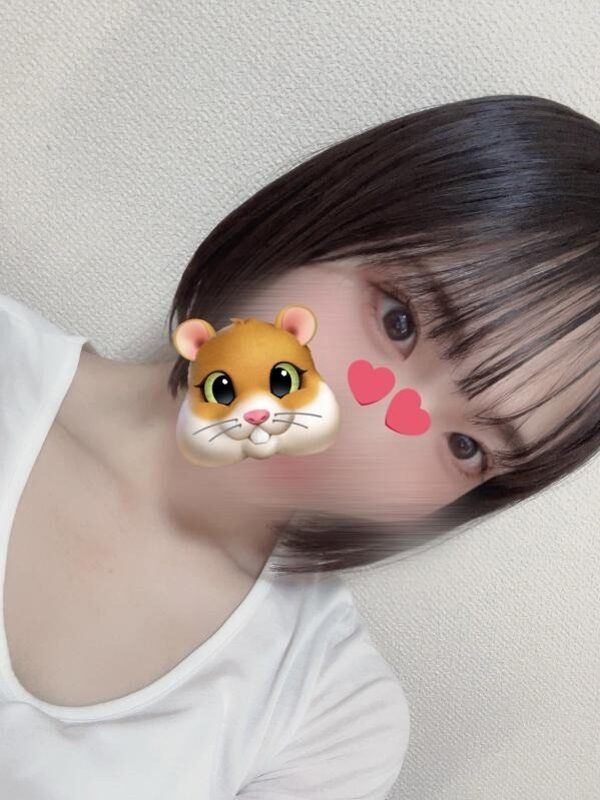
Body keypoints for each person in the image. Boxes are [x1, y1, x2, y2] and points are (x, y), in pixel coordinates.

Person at [0, 93, 598, 799]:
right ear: (316, 221)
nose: (373, 438)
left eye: (467, 446)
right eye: (399, 321)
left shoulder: (334, 719)